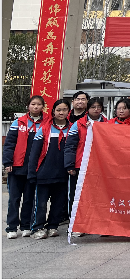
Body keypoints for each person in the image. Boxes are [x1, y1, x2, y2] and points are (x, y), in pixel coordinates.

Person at [4, 95, 47, 239]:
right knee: (14, 199)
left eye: (39, 104)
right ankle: (11, 227)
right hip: (17, 167)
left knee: (29, 199)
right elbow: (9, 144)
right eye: (33, 104)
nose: (36, 107)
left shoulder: (47, 122)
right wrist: (7, 162)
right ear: (28, 106)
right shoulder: (19, 122)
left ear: (43, 107)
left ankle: (26, 226)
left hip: (34, 168)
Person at [28, 99, 71, 239]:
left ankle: (53, 226)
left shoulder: (72, 129)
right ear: (53, 111)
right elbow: (34, 153)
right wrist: (32, 173)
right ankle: (37, 228)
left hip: (63, 174)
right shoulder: (45, 128)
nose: (61, 112)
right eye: (58, 110)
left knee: (58, 203)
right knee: (40, 204)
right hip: (44, 174)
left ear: (68, 111)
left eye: (64, 110)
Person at [64, 97, 106, 232]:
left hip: (100, 166)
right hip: (80, 165)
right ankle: (75, 225)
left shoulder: (107, 123)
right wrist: (70, 165)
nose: (96, 109)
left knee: (98, 196)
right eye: (93, 107)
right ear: (88, 109)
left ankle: (96, 225)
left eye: (98, 107)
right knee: (77, 196)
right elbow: (70, 146)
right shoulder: (78, 124)